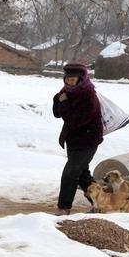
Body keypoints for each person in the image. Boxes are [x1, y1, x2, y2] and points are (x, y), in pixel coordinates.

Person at [52, 62, 103, 216]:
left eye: (72, 79)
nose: (69, 82)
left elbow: (75, 121)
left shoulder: (89, 96)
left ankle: (64, 208)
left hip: (88, 141)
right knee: (82, 175)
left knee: (70, 173)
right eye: (67, 79)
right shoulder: (66, 92)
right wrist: (57, 100)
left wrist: (64, 102)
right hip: (73, 141)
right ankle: (103, 202)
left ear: (81, 79)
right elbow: (57, 113)